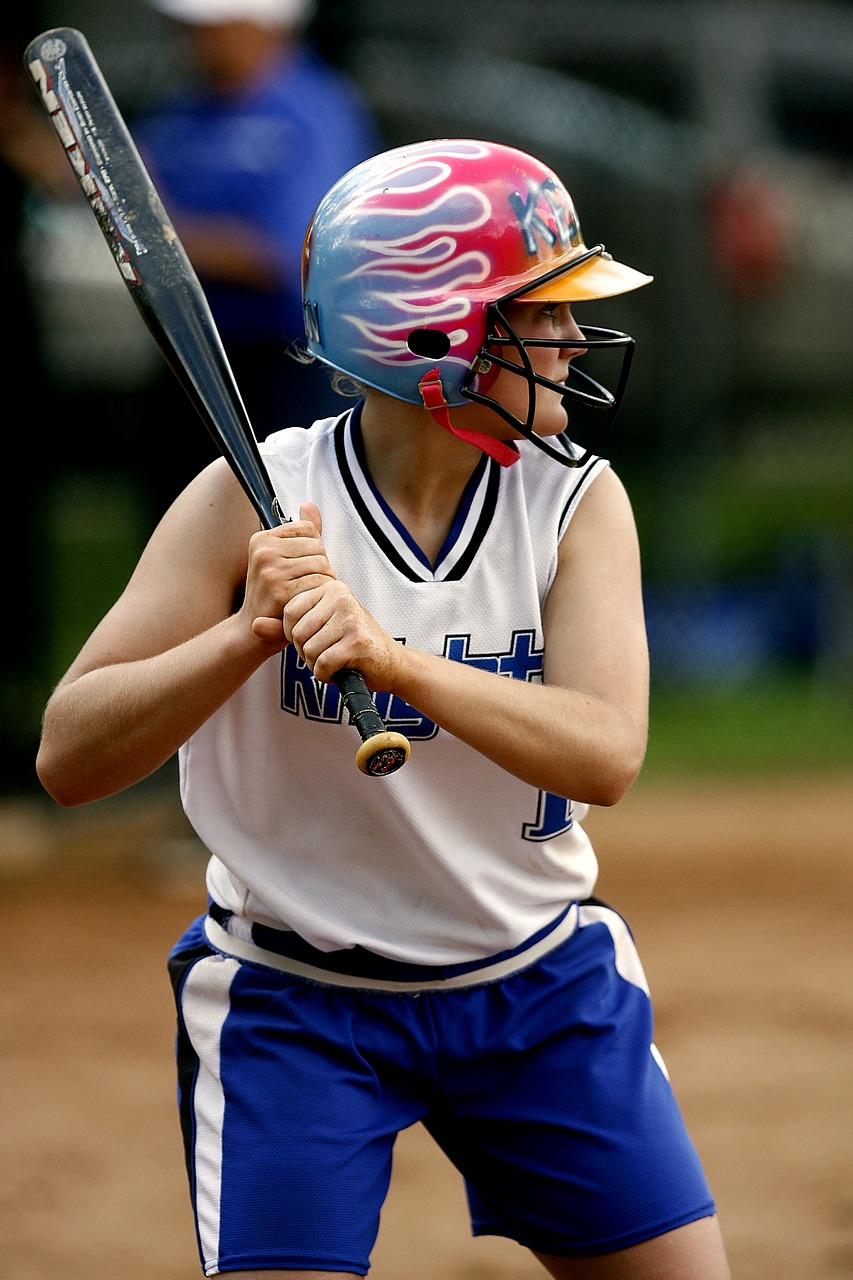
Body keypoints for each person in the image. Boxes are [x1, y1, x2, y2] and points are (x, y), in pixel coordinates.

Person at [36, 139, 732, 1279]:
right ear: (428, 338)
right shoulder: (252, 498)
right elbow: (69, 751)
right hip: (297, 1003)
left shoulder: (574, 502)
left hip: (535, 988)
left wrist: (389, 658)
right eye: (540, 315)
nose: (567, 341)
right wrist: (246, 632)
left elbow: (604, 750)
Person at [133, 0, 380, 503]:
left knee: (281, 522)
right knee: (181, 526)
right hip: (185, 357)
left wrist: (154, 243)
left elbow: (289, 254)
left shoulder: (316, 112)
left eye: (210, 27)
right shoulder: (179, 111)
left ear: (262, 24)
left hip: (285, 365)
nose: (193, 41)